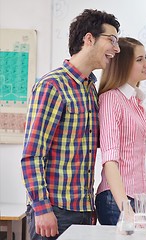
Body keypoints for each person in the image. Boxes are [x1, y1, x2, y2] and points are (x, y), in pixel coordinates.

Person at [21, 9, 120, 239]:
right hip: (54, 211)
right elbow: (32, 155)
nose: (116, 48)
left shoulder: (90, 89)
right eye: (112, 40)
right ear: (89, 39)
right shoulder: (52, 85)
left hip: (83, 211)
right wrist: (42, 208)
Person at [95, 37, 146, 225]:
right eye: (139, 60)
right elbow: (110, 160)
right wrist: (126, 209)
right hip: (117, 200)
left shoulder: (135, 102)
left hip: (136, 198)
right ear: (123, 65)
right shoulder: (112, 99)